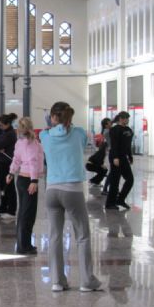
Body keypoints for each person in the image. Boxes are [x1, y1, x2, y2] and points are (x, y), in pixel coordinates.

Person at [39, 101, 102, 293]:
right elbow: (79, 141)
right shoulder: (79, 133)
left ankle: (57, 281)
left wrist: (51, 125)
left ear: (52, 116)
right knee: (82, 235)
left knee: (55, 235)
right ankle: (86, 281)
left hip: (51, 190)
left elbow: (49, 131)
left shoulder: (44, 135)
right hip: (72, 189)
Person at [6, 117, 44, 254]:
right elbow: (33, 162)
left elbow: (16, 159)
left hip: (21, 179)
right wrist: (34, 181)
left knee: (23, 213)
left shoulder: (20, 142)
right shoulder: (32, 143)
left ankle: (23, 244)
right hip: (29, 181)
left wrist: (11, 173)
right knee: (28, 215)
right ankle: (24, 247)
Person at [105, 112, 134, 210]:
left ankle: (120, 199)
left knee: (130, 179)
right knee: (115, 180)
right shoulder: (114, 130)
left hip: (123, 157)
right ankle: (109, 203)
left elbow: (128, 145)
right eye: (126, 118)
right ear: (121, 119)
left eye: (128, 118)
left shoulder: (129, 130)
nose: (127, 120)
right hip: (115, 156)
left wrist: (130, 156)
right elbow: (114, 144)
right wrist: (115, 157)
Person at [0, 113, 17, 218]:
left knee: (9, 186)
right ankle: (3, 207)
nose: (0, 127)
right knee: (2, 186)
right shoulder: (5, 131)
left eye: (1, 125)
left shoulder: (10, 134)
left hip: (8, 163)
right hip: (2, 162)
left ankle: (11, 210)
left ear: (7, 124)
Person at [100, 118, 112, 195]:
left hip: (112, 151)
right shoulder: (107, 132)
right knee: (112, 172)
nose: (111, 124)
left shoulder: (107, 131)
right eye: (109, 123)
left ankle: (110, 188)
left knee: (113, 172)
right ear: (106, 125)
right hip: (112, 152)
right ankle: (105, 188)